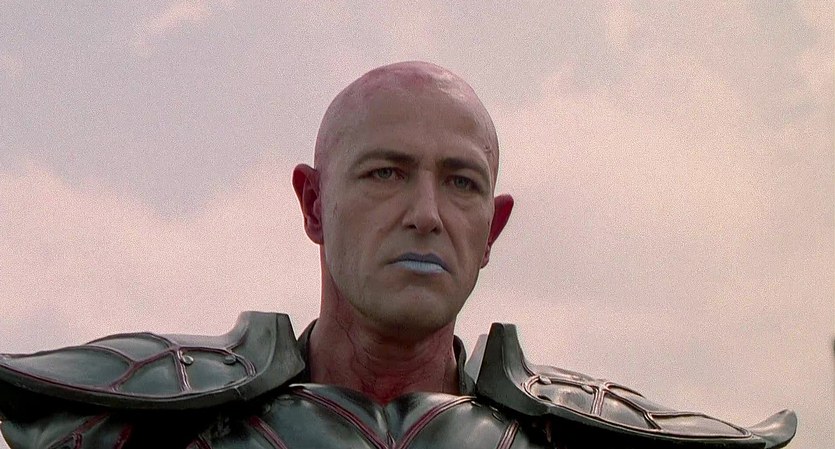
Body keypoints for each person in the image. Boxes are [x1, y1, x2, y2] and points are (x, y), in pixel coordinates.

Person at [0, 62, 796, 449]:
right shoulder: (137, 425)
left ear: (492, 227)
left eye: (461, 183)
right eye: (385, 173)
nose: (425, 213)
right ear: (314, 204)